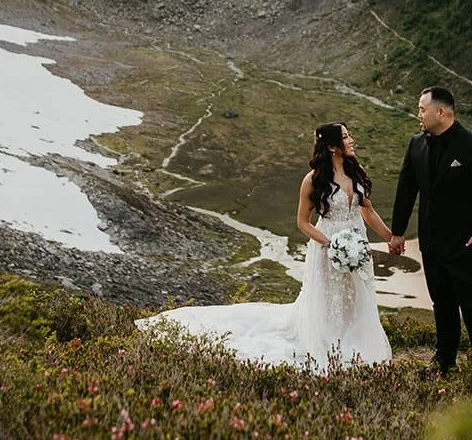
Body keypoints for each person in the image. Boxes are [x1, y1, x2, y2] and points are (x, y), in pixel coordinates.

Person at [137, 122, 394, 369]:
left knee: (356, 294)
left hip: (357, 245)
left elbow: (367, 212)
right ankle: (332, 345)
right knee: (330, 298)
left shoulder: (356, 171)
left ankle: (355, 344)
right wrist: (330, 243)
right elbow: (303, 222)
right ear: (332, 147)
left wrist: (390, 237)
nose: (352, 140)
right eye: (346, 137)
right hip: (328, 247)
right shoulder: (314, 180)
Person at [389, 86, 472, 378]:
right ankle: (445, 359)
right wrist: (397, 232)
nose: (418, 115)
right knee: (442, 304)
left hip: (464, 243)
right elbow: (406, 191)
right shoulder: (416, 145)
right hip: (430, 242)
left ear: (441, 112)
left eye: (422, 109)